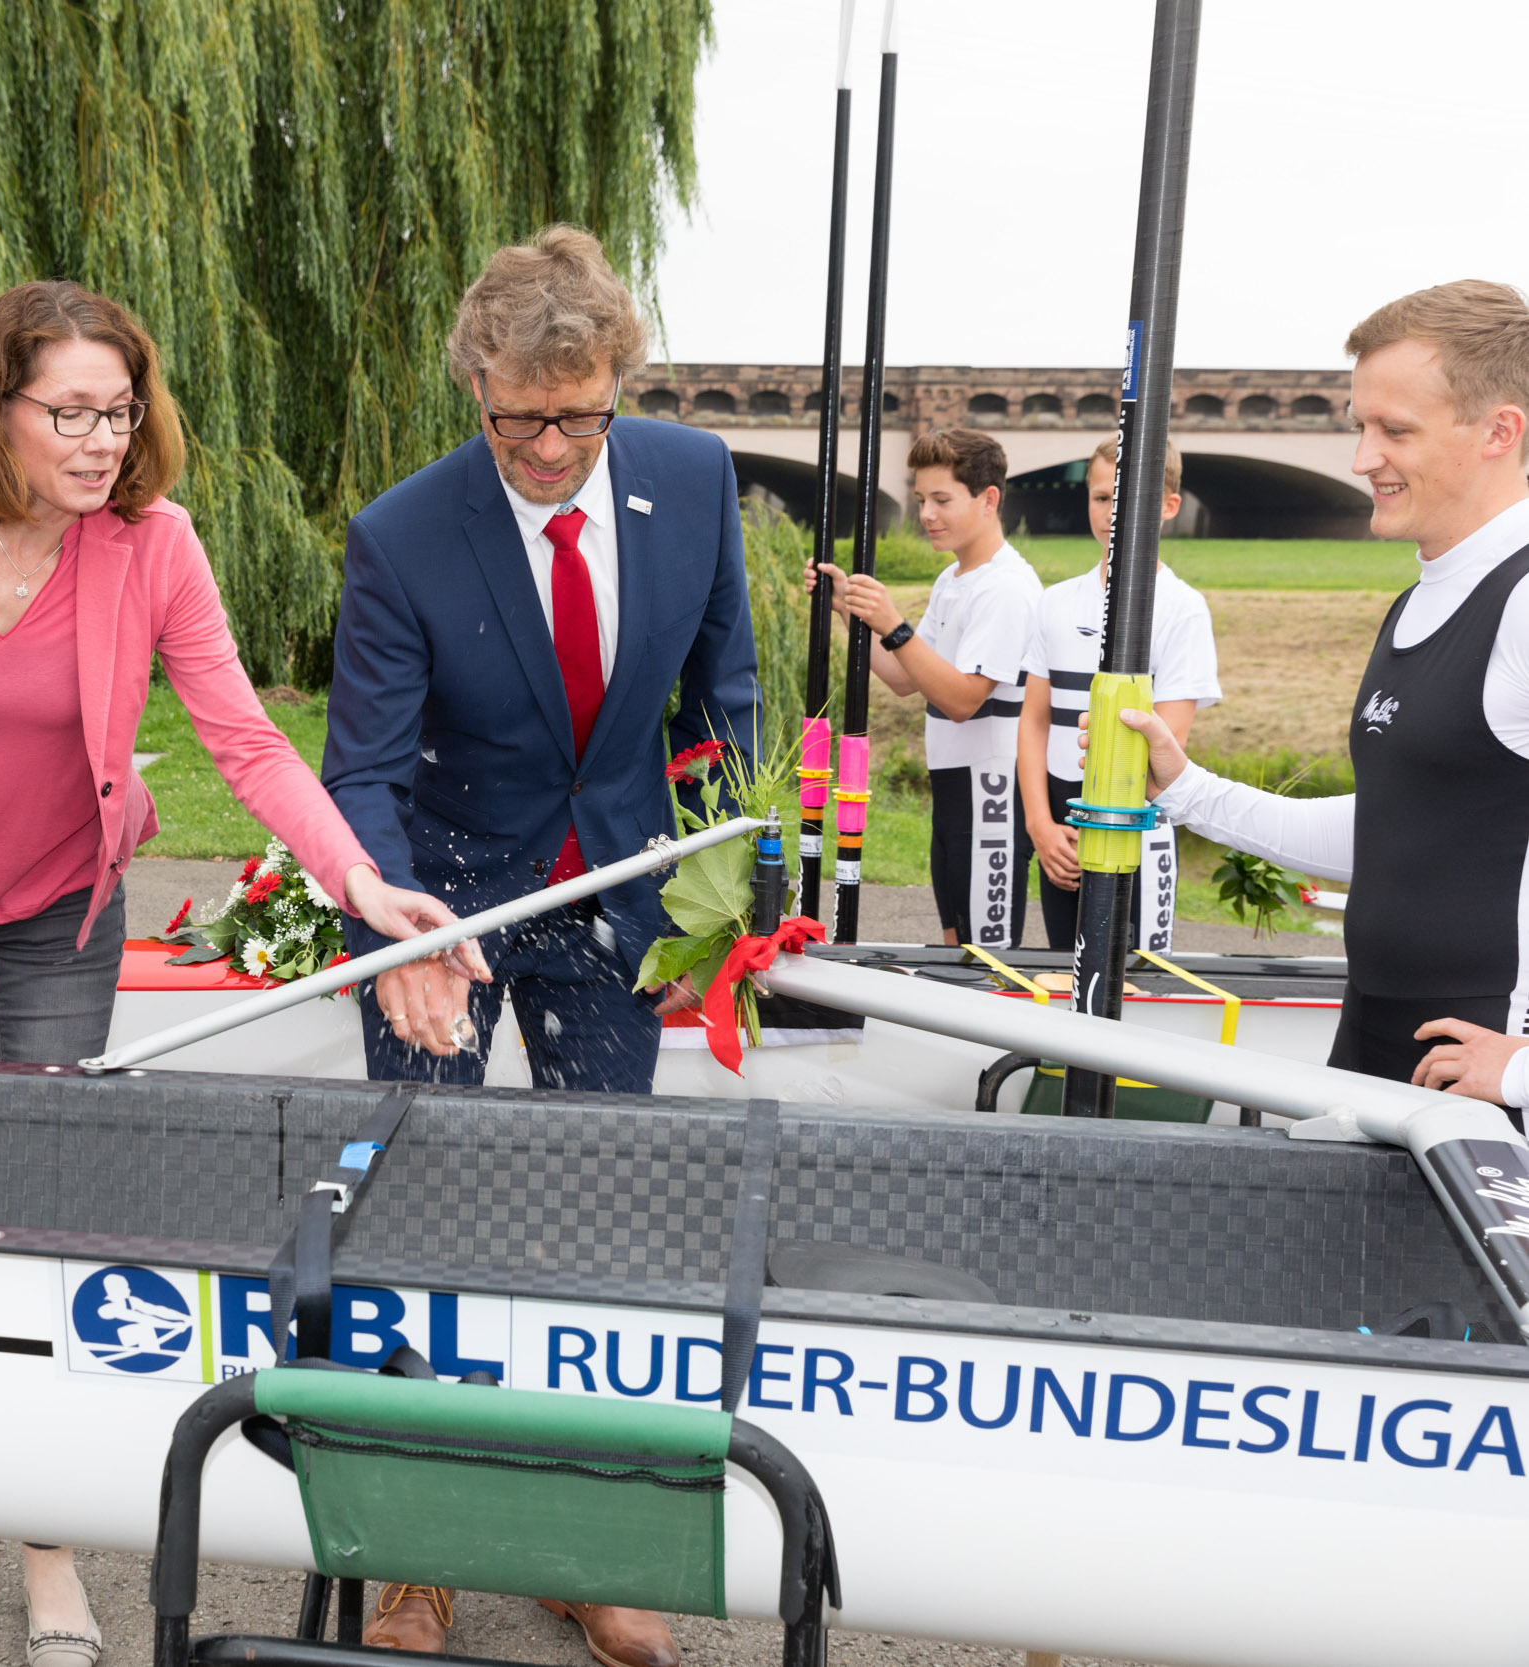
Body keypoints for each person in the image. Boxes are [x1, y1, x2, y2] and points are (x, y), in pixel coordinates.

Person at [0, 280, 463, 1667]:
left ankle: (45, 1536)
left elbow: (246, 738)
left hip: (57, 898)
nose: (97, 440)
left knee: (43, 1213)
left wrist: (359, 880)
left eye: (119, 411)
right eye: (68, 412)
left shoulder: (155, 544)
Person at [321, 224, 757, 1666]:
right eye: (521, 420)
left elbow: (721, 698)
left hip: (620, 895)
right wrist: (397, 922)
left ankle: (582, 1545)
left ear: (618, 386)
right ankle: (422, 1548)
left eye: (581, 416)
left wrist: (716, 881)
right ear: (474, 387)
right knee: (419, 1214)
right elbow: (363, 766)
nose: (553, 448)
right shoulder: (403, 533)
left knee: (596, 1225)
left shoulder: (693, 480)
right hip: (448, 904)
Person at [1109, 280, 1529, 1107]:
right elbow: (1402, 829)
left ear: (1499, 431)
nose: (1362, 458)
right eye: (1360, 426)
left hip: (1481, 1063)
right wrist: (1187, 787)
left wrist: (1522, 1069)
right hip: (1381, 1032)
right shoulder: (1420, 598)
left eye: (1394, 430)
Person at [813, 427, 1044, 949]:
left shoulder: (1006, 587)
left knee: (984, 956)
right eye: (921, 500)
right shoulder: (954, 579)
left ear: (989, 500)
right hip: (954, 787)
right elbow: (903, 678)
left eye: (942, 499)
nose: (926, 515)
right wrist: (849, 611)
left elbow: (963, 699)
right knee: (953, 943)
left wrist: (894, 625)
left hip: (993, 792)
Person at [1018, 438, 1221, 952]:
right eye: (1101, 498)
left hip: (1137, 829)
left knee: (1135, 994)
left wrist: (1104, 827)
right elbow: (1034, 722)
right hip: (1062, 833)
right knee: (1066, 981)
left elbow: (1169, 741)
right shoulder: (1055, 601)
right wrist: (1040, 825)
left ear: (1169, 506)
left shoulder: (1182, 608)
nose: (1112, 513)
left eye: (1128, 500)